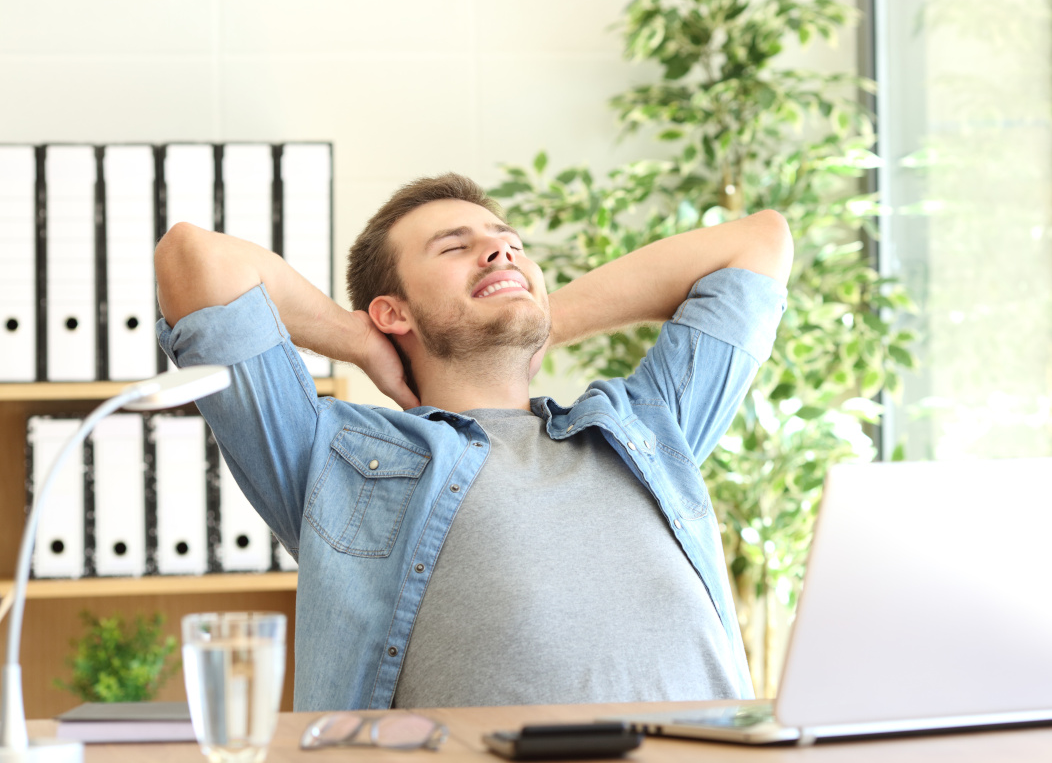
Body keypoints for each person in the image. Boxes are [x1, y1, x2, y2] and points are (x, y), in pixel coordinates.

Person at [155, 172, 792, 712]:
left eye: (511, 245)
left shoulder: (649, 427)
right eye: (455, 247)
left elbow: (759, 242)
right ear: (392, 310)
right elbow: (197, 260)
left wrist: (536, 315)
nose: (500, 253)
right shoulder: (332, 457)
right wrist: (358, 341)